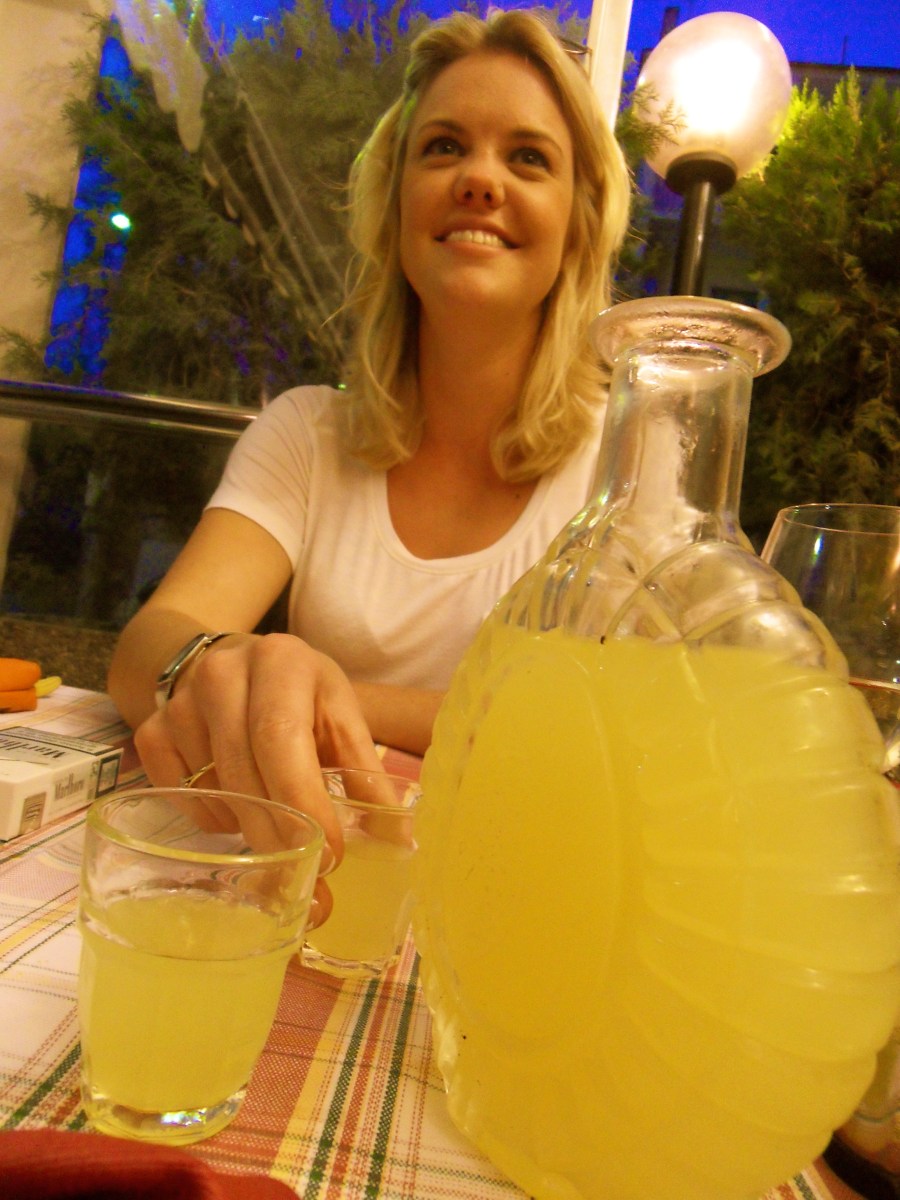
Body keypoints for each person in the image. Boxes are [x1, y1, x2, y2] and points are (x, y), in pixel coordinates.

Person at [107, 7, 631, 903]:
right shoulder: (305, 433)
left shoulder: (626, 471)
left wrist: (324, 697)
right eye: (444, 147)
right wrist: (212, 666)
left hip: (515, 900)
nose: (479, 179)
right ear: (394, 206)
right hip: (326, 885)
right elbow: (147, 649)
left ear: (579, 225)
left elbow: (607, 734)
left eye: (528, 158)